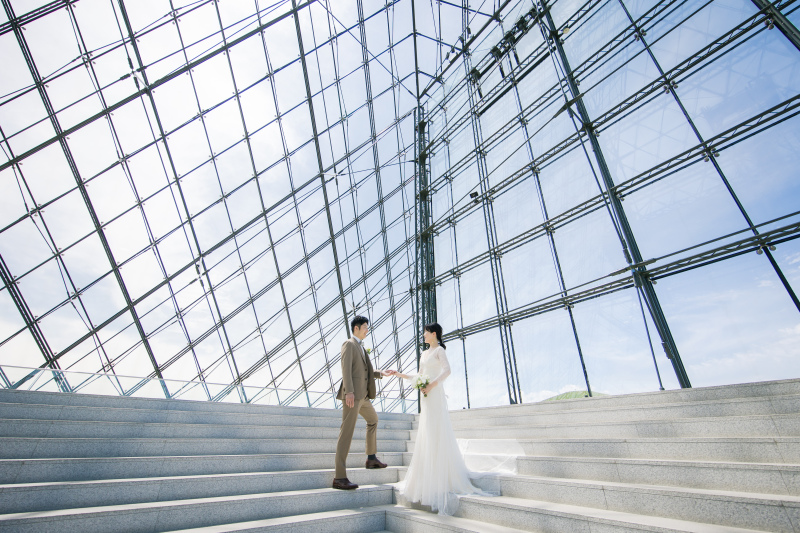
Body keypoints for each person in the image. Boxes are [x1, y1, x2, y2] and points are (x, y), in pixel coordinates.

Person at [386, 323, 488, 515]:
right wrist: (399, 374)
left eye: (426, 332)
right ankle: (428, 476)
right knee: (427, 432)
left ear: (433, 334)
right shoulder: (424, 354)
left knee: (437, 431)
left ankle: (440, 476)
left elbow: (447, 371)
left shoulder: (440, 350)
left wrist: (431, 385)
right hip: (426, 396)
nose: (424, 334)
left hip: (434, 394)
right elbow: (419, 375)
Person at [333, 315, 392, 490]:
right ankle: (339, 477)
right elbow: (346, 369)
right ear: (356, 328)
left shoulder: (360, 347)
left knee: (373, 420)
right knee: (346, 433)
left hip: (363, 396)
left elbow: (365, 371)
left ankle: (371, 458)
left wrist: (381, 373)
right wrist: (349, 392)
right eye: (365, 326)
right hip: (353, 396)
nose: (368, 329)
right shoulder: (349, 344)